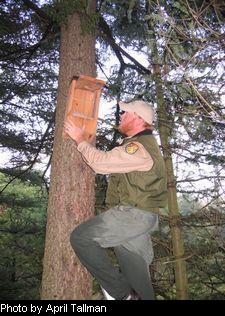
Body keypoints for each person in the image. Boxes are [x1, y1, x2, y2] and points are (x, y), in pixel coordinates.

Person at [64, 100, 168, 300]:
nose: (121, 115)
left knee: (81, 238)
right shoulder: (141, 145)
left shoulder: (138, 148)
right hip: (141, 218)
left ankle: (121, 294)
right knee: (139, 282)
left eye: (125, 112)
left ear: (138, 119)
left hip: (133, 216)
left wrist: (80, 140)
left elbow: (100, 164)